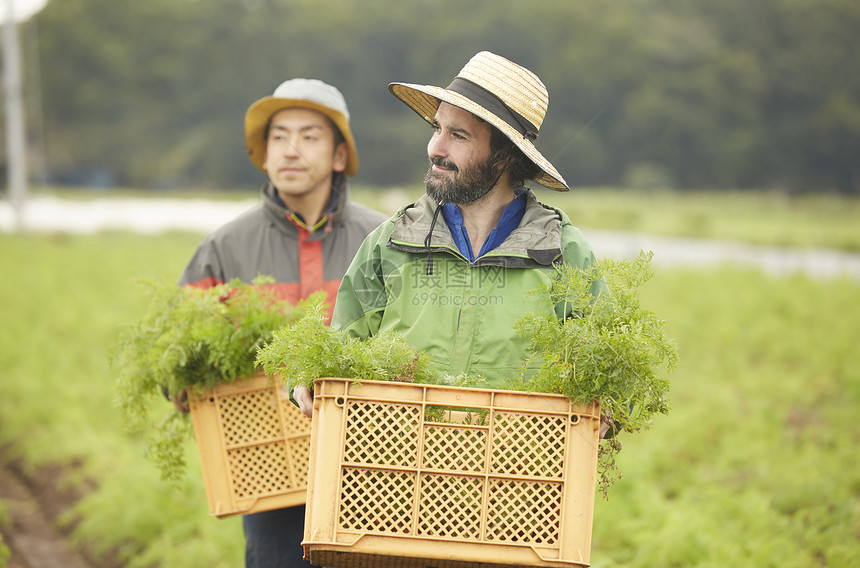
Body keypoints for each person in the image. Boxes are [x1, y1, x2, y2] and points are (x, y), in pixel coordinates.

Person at [293, 51, 610, 439]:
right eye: (436, 128)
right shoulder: (391, 242)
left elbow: (611, 374)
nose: (435, 148)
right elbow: (339, 348)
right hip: (394, 481)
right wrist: (310, 377)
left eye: (458, 135)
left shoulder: (562, 253)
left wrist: (608, 407)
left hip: (517, 486)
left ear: (505, 155)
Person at [175, 78, 387, 568]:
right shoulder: (225, 246)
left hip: (367, 467)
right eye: (279, 136)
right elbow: (180, 349)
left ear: (339, 155)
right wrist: (184, 384)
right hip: (267, 473)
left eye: (310, 136)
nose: (291, 149)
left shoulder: (384, 240)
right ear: (263, 154)